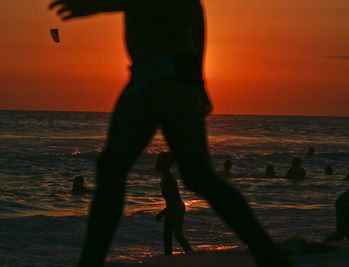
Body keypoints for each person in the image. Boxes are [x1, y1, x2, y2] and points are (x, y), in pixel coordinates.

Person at [49, 1, 291, 266]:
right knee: (112, 168)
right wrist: (200, 81)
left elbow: (191, 14)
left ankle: (268, 254)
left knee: (197, 175)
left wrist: (96, 5)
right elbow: (197, 16)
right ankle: (90, 261)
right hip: (144, 75)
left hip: (173, 75)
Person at [155, 152, 192, 255]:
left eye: (159, 161)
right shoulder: (165, 176)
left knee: (178, 235)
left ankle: (191, 257)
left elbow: (174, 200)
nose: (156, 163)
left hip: (176, 208)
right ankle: (169, 259)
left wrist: (162, 213)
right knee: (167, 236)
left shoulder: (169, 179)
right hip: (172, 208)